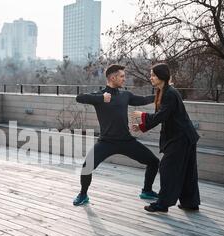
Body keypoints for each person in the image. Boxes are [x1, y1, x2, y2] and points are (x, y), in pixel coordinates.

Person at [73, 64, 160, 206]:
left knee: (154, 162)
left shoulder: (125, 95)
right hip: (106, 142)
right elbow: (79, 98)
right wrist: (101, 99)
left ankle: (147, 190)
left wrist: (161, 94)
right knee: (86, 166)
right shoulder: (101, 95)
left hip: (126, 141)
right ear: (112, 78)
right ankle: (83, 194)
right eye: (122, 76)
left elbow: (143, 100)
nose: (124, 79)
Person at [132, 63, 200, 213]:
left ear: (162, 76)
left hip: (181, 138)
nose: (150, 77)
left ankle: (162, 204)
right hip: (183, 137)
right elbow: (161, 117)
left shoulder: (170, 93)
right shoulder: (162, 92)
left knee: (167, 168)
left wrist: (142, 116)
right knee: (188, 171)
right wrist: (142, 127)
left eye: (153, 75)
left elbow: (161, 115)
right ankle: (190, 202)